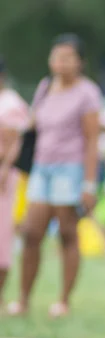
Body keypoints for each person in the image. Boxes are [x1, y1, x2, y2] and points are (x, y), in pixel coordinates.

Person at [8, 34, 102, 318]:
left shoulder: (87, 92)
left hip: (70, 170)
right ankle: (23, 299)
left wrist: (89, 183)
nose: (60, 62)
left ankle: (63, 300)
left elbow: (91, 140)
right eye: (57, 55)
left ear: (80, 62)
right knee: (31, 233)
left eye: (67, 56)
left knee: (66, 233)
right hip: (41, 168)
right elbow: (33, 126)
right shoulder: (45, 87)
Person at [0, 55, 30, 309]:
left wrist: (4, 168)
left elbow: (15, 142)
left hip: (4, 179)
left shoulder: (11, 104)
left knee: (2, 235)